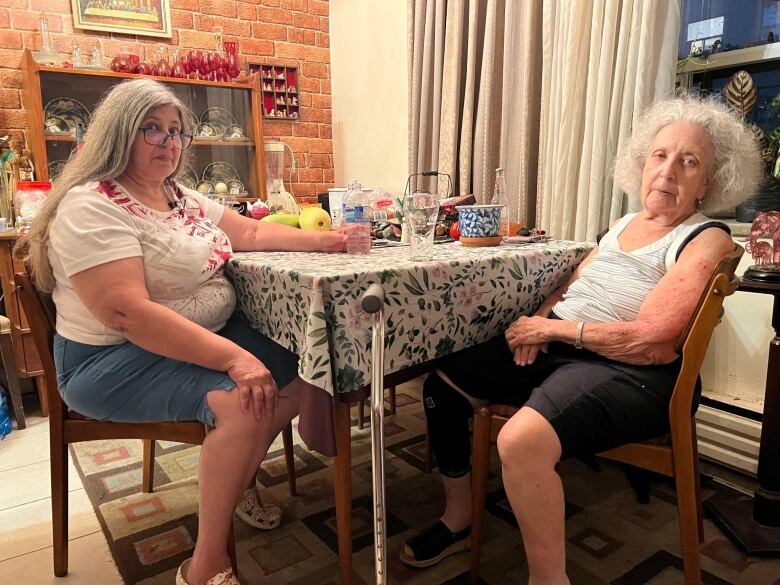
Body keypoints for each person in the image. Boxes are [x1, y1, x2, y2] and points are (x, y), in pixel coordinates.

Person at [400, 95, 762, 583]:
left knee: (521, 440)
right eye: (660, 155)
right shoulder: (623, 225)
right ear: (642, 162)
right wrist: (542, 319)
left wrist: (548, 328)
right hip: (569, 348)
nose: (669, 171)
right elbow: (573, 285)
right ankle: (458, 517)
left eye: (689, 161)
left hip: (635, 374)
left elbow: (652, 340)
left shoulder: (706, 238)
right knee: (444, 384)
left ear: (710, 182)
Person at [19, 78, 347, 585]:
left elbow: (252, 231)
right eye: (151, 129)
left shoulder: (176, 194)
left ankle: (233, 479)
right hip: (110, 361)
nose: (168, 142)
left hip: (187, 338)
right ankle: (205, 564)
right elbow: (128, 315)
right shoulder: (91, 207)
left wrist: (328, 240)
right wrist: (235, 359)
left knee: (307, 365)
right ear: (117, 134)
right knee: (242, 400)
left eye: (175, 132)